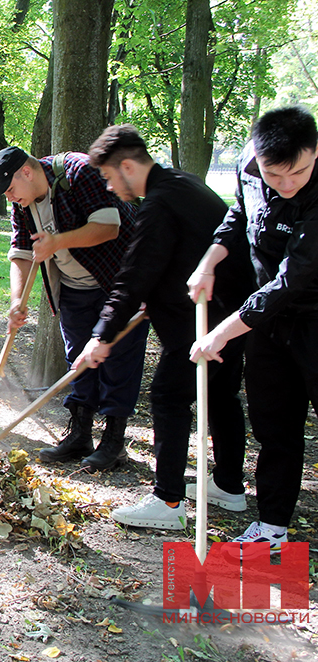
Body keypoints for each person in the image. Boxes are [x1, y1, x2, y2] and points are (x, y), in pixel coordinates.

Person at [73, 125, 252, 530]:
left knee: (168, 396)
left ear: (129, 166)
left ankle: (168, 501)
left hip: (203, 320)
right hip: (232, 313)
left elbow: (133, 276)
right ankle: (227, 486)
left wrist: (102, 335)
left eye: (108, 177)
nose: (108, 187)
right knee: (222, 394)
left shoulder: (157, 204)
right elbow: (181, 254)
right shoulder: (184, 184)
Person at [189, 106, 318, 554]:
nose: (285, 185)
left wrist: (224, 331)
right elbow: (238, 218)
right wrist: (209, 262)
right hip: (267, 324)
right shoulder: (249, 168)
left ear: (314, 153)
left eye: (297, 173)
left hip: (312, 317)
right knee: (274, 425)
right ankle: (273, 528)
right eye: (273, 175)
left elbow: (293, 278)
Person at [0, 146, 148, 470]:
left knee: (118, 358)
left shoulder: (79, 172)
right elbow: (21, 251)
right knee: (78, 359)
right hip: (74, 289)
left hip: (118, 284)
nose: (10, 198)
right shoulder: (25, 203)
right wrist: (17, 301)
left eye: (10, 189)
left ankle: (114, 443)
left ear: (27, 172)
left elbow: (108, 226)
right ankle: (79, 434)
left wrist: (57, 242)